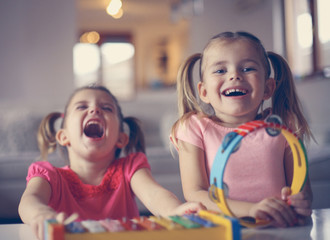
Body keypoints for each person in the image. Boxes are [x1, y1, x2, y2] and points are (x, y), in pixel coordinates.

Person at [19, 85, 204, 240]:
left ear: (121, 139)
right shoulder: (48, 175)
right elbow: (30, 200)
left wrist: (176, 211)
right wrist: (40, 214)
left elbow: (154, 194)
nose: (94, 110)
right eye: (82, 106)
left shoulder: (130, 167)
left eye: (107, 108)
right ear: (63, 136)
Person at [170, 31, 313, 228]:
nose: (234, 75)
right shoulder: (194, 127)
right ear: (204, 92)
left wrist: (301, 201)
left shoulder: (283, 126)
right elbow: (195, 194)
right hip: (222, 231)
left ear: (267, 88)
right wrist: (251, 209)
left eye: (247, 68)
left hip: (279, 230)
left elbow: (301, 189)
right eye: (220, 70)